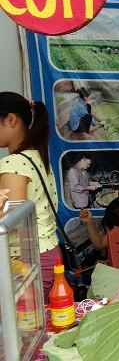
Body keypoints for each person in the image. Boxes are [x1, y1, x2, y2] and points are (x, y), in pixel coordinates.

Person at [0, 92, 60, 303]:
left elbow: (12, 224)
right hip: (48, 252)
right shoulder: (37, 157)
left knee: (19, 332)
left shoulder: (13, 164)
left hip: (25, 260)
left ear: (11, 120)